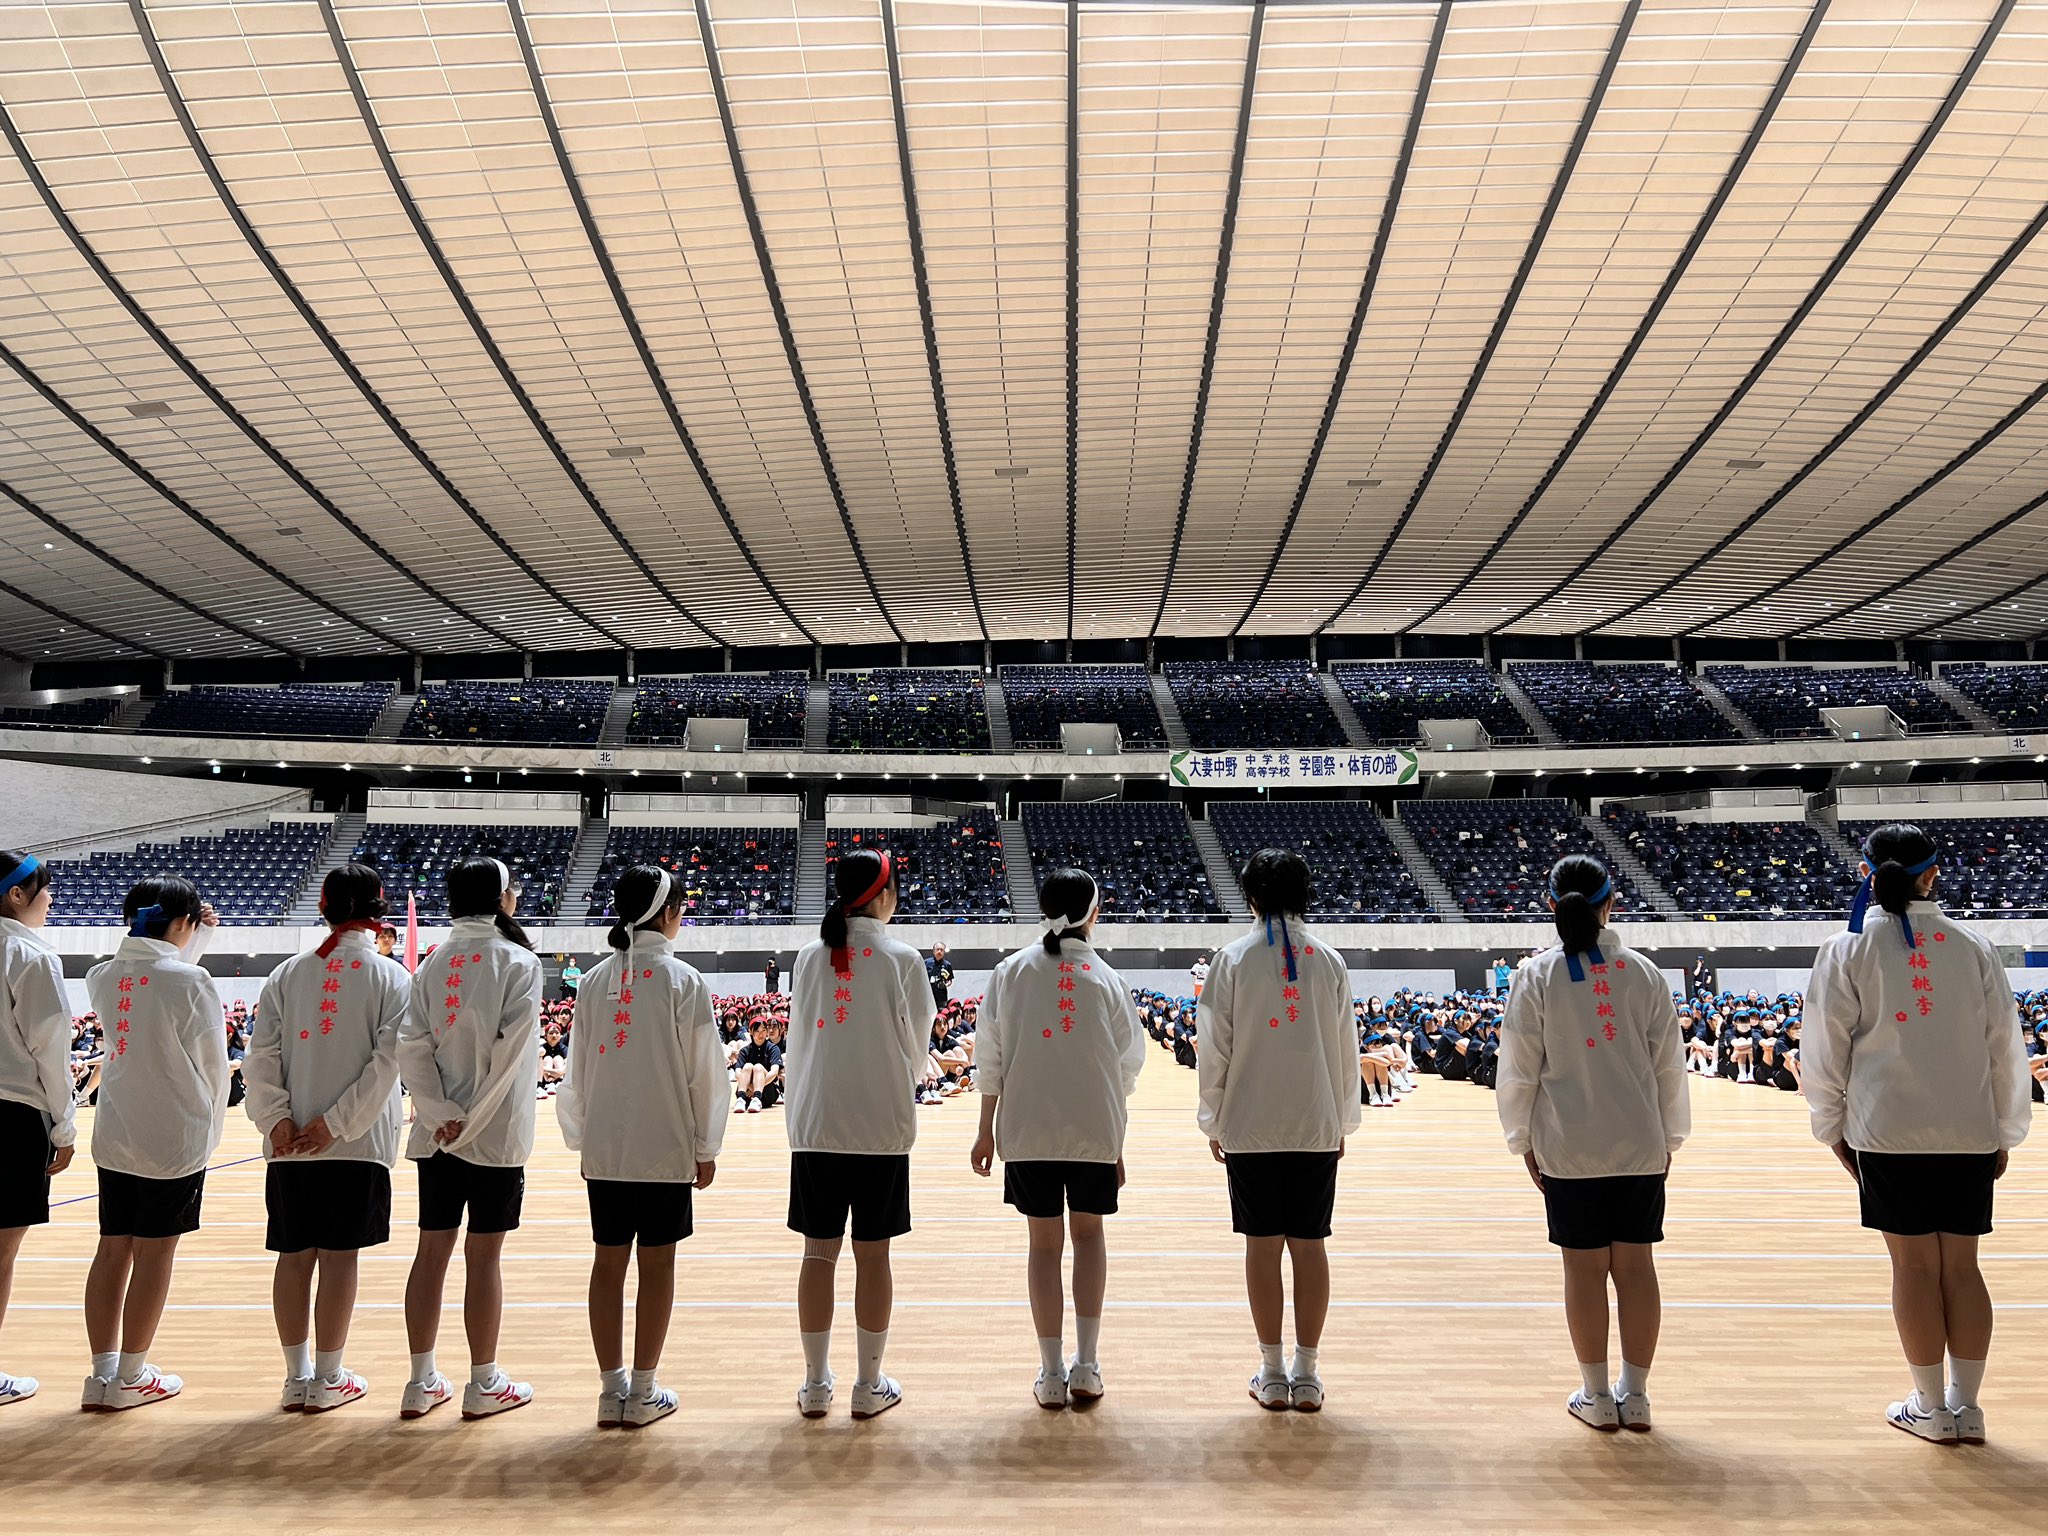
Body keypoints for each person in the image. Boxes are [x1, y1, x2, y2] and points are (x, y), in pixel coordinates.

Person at [1803, 823, 2031, 1445]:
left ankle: (1930, 1407)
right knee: (1962, 1267)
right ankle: (1968, 1407)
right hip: (1967, 1129)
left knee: (1912, 1268)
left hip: (1887, 1130)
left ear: (1870, 875)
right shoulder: (1973, 946)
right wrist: (2005, 1131)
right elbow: (2004, 1050)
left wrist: (1831, 1128)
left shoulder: (1847, 948)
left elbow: (1824, 1050)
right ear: (1933, 874)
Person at [1495, 854, 1688, 1434]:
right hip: (1637, 1146)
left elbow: (1519, 1070)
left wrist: (1522, 1139)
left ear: (1550, 906)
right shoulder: (1644, 973)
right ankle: (1638, 1395)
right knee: (1636, 1268)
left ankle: (1597, 1395)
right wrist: (1669, 1139)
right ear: (1613, 902)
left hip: (1568, 1146)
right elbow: (1668, 1071)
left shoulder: (1535, 976)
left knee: (1582, 1271)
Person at [557, 865, 726, 1430]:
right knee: (657, 1267)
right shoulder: (683, 980)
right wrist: (706, 1144)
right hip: (664, 1147)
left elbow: (576, 1071)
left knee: (607, 1265)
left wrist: (583, 1136)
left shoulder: (595, 980)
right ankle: (644, 1390)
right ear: (668, 913)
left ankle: (611, 1392)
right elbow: (705, 1073)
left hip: (606, 1149)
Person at [971, 867, 1145, 1409]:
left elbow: (989, 1058)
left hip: (1026, 1131)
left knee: (1043, 1246)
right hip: (1093, 1132)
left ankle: (1050, 1372)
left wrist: (984, 1133)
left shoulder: (1010, 972)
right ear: (1094, 914)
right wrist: (1113, 1142)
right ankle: (1086, 1367)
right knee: (1089, 1238)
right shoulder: (1108, 979)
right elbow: (1126, 1068)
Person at [1196, 849, 1359, 1413]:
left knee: (1262, 1247)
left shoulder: (1233, 959)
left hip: (1251, 1123)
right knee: (1310, 1246)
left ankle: (1271, 1371)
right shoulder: (1329, 960)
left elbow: (1213, 1047)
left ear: (1252, 897)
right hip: (1315, 1123)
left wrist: (1212, 1117)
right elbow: (1345, 1052)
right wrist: (1343, 1119)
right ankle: (1307, 1374)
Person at [243, 864, 406, 1414]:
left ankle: (297, 1378)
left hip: (290, 1149)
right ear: (378, 910)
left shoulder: (287, 975)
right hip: (355, 1146)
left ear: (325, 906)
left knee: (294, 1256)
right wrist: (336, 1124)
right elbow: (388, 1064)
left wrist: (277, 1119)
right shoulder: (391, 976)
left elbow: (259, 1056)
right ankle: (329, 1377)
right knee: (339, 1259)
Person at [784, 847, 935, 1421]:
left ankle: (816, 1383)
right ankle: (868, 1385)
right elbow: (918, 1045)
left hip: (817, 1125)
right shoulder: (902, 958)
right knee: (874, 1258)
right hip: (879, 1129)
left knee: (817, 1256)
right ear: (880, 895)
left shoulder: (807, 955)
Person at [397, 857, 545, 1422]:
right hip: (493, 1134)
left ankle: (420, 1381)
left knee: (431, 1251)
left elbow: (411, 1046)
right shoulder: (518, 962)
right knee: (483, 1256)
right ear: (502, 897)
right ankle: (483, 1381)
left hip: (438, 1137)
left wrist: (440, 1117)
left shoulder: (432, 963)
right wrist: (469, 1122)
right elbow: (508, 1058)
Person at [81, 877, 230, 1410]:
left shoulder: (102, 976)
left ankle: (101, 1375)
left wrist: (195, 937)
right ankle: (133, 1374)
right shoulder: (191, 981)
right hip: (173, 1135)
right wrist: (212, 1134)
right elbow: (213, 1069)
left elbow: (155, 973)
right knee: (155, 1254)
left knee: (113, 1248)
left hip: (118, 1130)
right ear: (184, 923)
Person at [0, 851, 74, 1406]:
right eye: (41, 888)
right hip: (10, 1116)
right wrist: (65, 1129)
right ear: (15, 895)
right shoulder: (28, 954)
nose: (50, 897)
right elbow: (50, 1051)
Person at [927, 942, 954, 1010]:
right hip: (928, 995)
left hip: (941, 996)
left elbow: (950, 980)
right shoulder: (926, 963)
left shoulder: (947, 965)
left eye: (941, 950)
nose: (939, 951)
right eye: (937, 949)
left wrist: (946, 984)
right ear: (934, 951)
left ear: (944, 952)